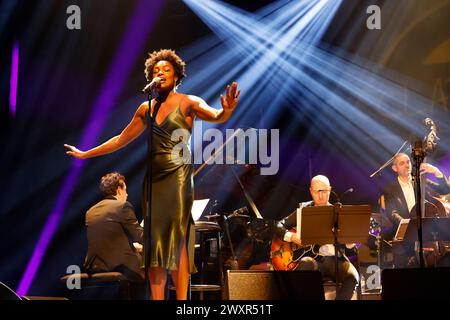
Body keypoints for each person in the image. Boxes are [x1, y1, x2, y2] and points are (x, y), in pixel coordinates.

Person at [65, 49, 240, 300]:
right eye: (156, 70)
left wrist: (227, 111)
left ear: (177, 75)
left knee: (178, 237)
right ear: (150, 76)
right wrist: (85, 154)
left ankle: (182, 301)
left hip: (178, 176)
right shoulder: (145, 108)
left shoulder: (188, 101)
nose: (160, 73)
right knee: (154, 245)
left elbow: (215, 115)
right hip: (154, 180)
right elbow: (119, 139)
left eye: (166, 70)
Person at [275, 175, 359, 300]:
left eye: (324, 191)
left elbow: (352, 251)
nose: (320, 196)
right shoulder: (303, 209)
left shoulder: (339, 212)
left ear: (330, 190)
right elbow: (278, 225)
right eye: (316, 192)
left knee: (352, 277)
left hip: (336, 260)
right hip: (312, 259)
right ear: (310, 191)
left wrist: (350, 243)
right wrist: (291, 237)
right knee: (304, 266)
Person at [382, 153, 450, 267]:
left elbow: (445, 189)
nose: (407, 165)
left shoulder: (421, 182)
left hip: (426, 234)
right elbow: (392, 213)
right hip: (404, 235)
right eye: (402, 163)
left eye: (408, 162)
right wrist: (408, 226)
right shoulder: (389, 189)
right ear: (395, 168)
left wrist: (435, 171)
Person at [84, 172, 144, 283]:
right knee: (156, 271)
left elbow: (108, 241)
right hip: (122, 266)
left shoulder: (90, 211)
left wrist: (132, 245)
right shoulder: (122, 206)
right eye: (125, 190)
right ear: (119, 190)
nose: (127, 195)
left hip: (95, 266)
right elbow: (140, 236)